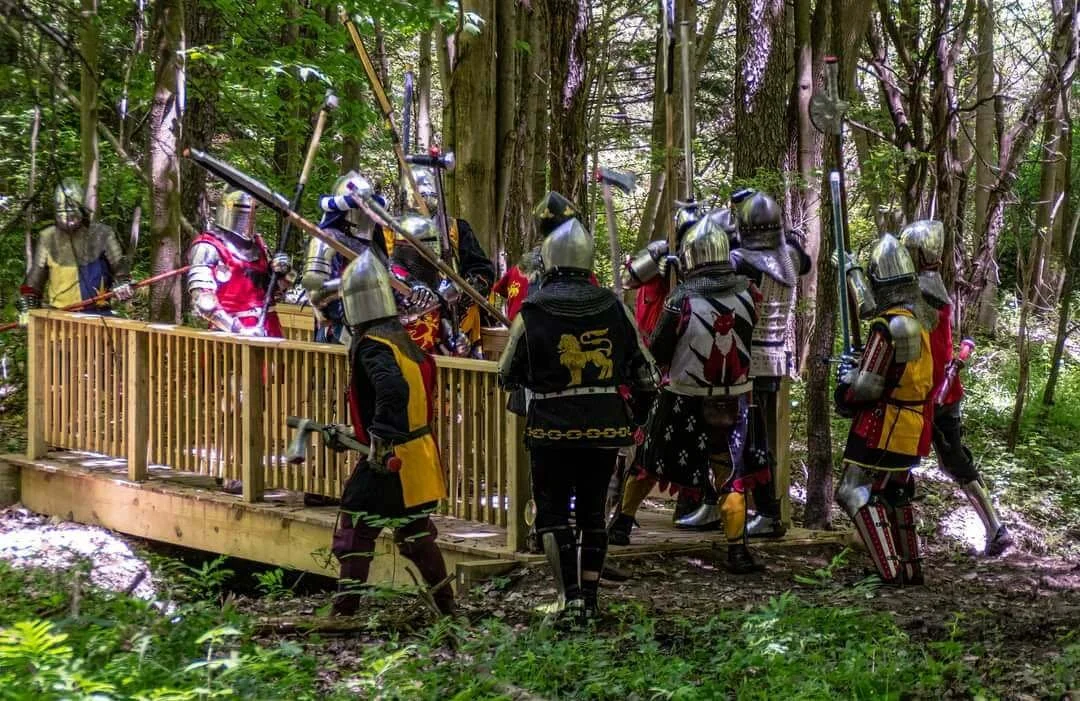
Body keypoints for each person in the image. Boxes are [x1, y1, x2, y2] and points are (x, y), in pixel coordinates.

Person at [498, 218, 658, 622]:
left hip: (550, 426)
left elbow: (506, 374)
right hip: (604, 427)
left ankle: (568, 598)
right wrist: (634, 419)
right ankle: (589, 597)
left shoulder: (532, 312)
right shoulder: (614, 307)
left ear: (548, 261)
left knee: (552, 513)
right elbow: (647, 375)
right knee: (591, 513)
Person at [636, 211, 766, 573]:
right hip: (733, 398)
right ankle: (736, 548)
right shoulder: (748, 292)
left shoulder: (682, 298)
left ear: (691, 257)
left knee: (648, 460)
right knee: (730, 474)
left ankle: (620, 524)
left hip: (683, 396)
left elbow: (661, 348)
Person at [330, 248, 454, 616]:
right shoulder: (403, 340)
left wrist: (380, 437)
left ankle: (345, 609)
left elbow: (393, 390)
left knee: (356, 528)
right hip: (418, 455)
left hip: (392, 458)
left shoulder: (374, 345)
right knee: (415, 533)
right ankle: (446, 606)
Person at [692, 190, 809, 538]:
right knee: (750, 437)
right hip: (775, 356)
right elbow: (801, 255)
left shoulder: (740, 260)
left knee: (741, 438)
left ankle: (764, 511)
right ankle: (726, 504)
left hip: (743, 361)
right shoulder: (790, 255)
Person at [899, 220, 1012, 556]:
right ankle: (994, 528)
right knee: (951, 462)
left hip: (928, 394)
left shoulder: (923, 291)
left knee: (921, 462)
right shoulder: (932, 288)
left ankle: (901, 543)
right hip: (938, 392)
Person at [834, 233, 935, 585]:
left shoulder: (889, 326)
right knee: (895, 492)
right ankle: (909, 568)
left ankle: (889, 572)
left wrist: (846, 380)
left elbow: (867, 386)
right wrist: (852, 274)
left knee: (852, 491)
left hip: (884, 423)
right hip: (913, 422)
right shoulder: (920, 320)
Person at [608, 203, 709, 546]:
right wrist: (662, 262)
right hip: (648, 360)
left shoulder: (703, 266)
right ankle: (620, 513)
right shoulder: (659, 254)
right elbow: (628, 277)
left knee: (697, 446)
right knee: (641, 444)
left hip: (686, 366)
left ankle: (689, 505)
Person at [301, 171, 433, 345]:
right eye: (362, 210)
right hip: (340, 335)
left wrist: (414, 294)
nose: (368, 216)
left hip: (378, 337)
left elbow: (392, 288)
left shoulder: (374, 247)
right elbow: (316, 292)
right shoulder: (326, 240)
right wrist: (356, 288)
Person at [393, 166, 496, 357]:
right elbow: (387, 269)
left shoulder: (455, 228)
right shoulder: (391, 228)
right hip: (408, 312)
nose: (418, 200)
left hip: (456, 315)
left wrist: (458, 290)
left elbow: (482, 271)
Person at [18, 179, 133, 323]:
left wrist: (122, 282)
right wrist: (28, 307)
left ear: (81, 208)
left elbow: (120, 267)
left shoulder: (102, 234)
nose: (67, 214)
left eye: (71, 208)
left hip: (97, 316)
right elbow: (34, 281)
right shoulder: (47, 237)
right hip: (61, 317)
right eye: (62, 209)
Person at [186, 190, 290, 337]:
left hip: (268, 326)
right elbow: (203, 300)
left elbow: (273, 292)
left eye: (253, 212)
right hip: (230, 331)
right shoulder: (208, 246)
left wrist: (281, 274)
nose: (249, 219)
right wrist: (237, 330)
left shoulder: (258, 245)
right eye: (243, 213)